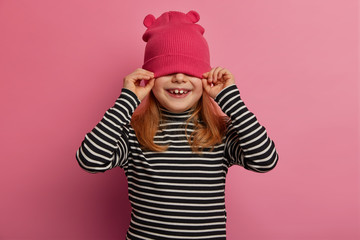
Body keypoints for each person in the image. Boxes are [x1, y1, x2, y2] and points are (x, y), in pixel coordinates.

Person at [76, 10, 278, 240]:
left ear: (206, 78)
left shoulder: (220, 131)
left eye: (190, 70)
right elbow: (90, 160)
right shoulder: (132, 133)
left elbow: (265, 161)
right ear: (149, 78)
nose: (179, 78)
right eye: (168, 69)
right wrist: (127, 99)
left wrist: (230, 99)